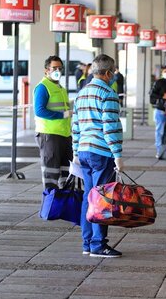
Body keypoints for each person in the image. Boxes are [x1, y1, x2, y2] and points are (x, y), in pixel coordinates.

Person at [72, 54, 123, 258]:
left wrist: (76, 150)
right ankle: (98, 244)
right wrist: (117, 155)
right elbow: (110, 128)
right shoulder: (108, 94)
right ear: (109, 73)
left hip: (84, 151)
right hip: (101, 153)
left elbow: (75, 126)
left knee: (88, 196)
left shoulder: (82, 93)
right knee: (102, 198)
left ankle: (87, 242)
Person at [33, 56, 73, 189]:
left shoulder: (60, 88)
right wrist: (63, 114)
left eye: (60, 68)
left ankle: (63, 204)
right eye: (54, 68)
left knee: (66, 173)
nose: (58, 70)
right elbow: (39, 111)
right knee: (51, 174)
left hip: (64, 135)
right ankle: (50, 205)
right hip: (49, 135)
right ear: (46, 70)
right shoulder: (43, 87)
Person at [150, 66, 166, 157]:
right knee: (160, 131)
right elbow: (152, 95)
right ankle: (159, 151)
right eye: (165, 71)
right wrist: (162, 96)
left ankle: (165, 150)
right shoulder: (158, 82)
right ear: (162, 72)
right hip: (160, 110)